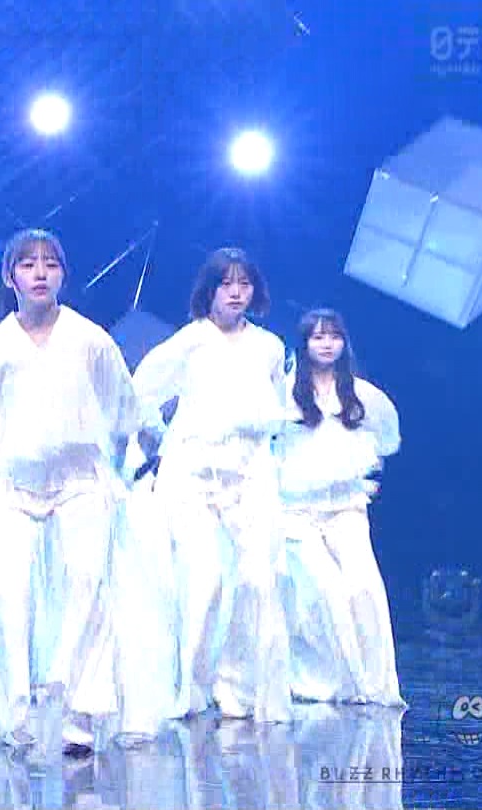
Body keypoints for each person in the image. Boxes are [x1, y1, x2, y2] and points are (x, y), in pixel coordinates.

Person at [0, 228, 140, 754]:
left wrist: (112, 467)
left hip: (81, 480)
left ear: (63, 274)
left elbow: (122, 409)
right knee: (9, 597)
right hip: (13, 484)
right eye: (28, 263)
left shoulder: (90, 339)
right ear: (10, 276)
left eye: (50, 263)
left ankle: (79, 711)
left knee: (87, 586)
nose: (40, 272)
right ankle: (13, 711)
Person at [131, 247, 291, 723]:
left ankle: (239, 686)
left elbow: (277, 412)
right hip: (194, 472)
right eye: (227, 283)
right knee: (205, 582)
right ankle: (192, 686)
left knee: (256, 581)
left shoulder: (270, 347)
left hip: (250, 469)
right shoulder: (190, 341)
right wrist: (156, 436)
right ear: (210, 289)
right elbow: (142, 389)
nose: (236, 292)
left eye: (244, 283)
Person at [277, 308, 403, 706]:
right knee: (327, 590)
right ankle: (333, 679)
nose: (327, 344)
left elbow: (389, 437)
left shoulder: (363, 394)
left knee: (364, 588)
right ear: (304, 344)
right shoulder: (284, 392)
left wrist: (364, 462)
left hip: (347, 507)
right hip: (297, 512)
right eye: (318, 337)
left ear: (344, 342)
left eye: (333, 336)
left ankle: (375, 683)